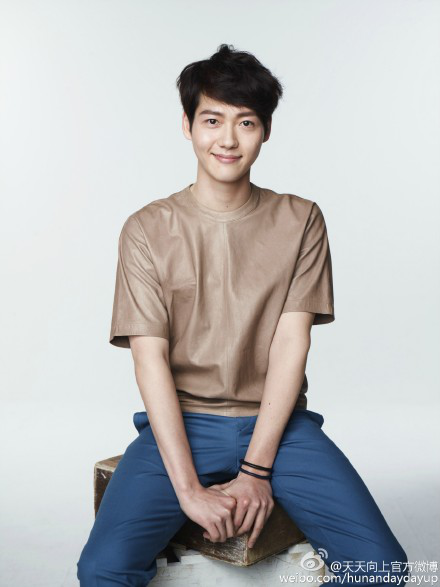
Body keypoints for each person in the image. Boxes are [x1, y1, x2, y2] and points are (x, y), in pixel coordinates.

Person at [77, 44, 409, 586]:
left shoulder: (300, 219)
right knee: (102, 569)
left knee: (385, 571)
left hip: (280, 426)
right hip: (183, 423)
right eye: (212, 120)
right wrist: (189, 490)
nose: (228, 139)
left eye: (246, 122)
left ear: (266, 131)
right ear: (187, 126)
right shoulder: (147, 228)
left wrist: (255, 471)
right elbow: (149, 360)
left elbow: (291, 345)